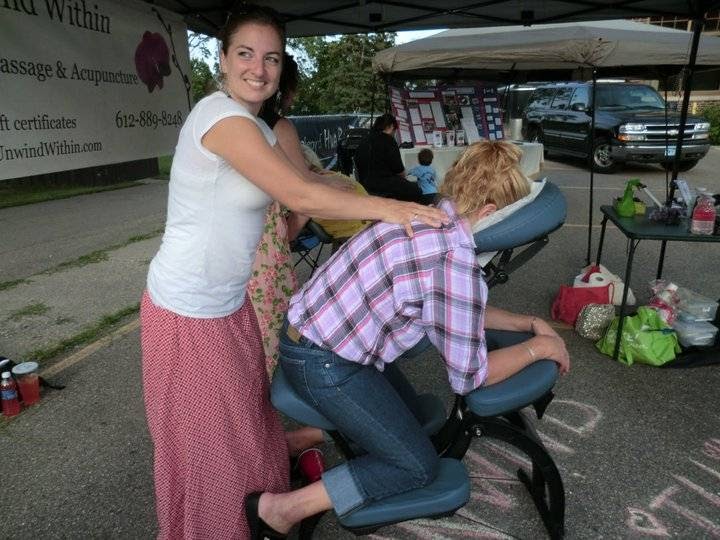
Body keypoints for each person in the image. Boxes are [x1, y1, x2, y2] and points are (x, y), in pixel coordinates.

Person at [140, 6, 447, 539]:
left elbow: (305, 183)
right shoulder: (221, 119)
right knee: (209, 446)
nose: (258, 69)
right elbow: (298, 195)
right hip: (186, 311)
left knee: (247, 420)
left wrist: (358, 194)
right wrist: (396, 209)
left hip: (229, 303)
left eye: (271, 58)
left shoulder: (256, 126)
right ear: (222, 59)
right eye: (245, 54)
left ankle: (264, 507)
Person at [249, 141, 570, 537]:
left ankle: (304, 438)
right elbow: (472, 376)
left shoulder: (426, 215)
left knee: (416, 422)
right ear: (489, 213)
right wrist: (541, 347)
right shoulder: (452, 262)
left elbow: (458, 308)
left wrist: (527, 322)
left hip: (313, 337)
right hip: (324, 361)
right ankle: (280, 510)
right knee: (415, 466)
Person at [354, 114, 424, 203]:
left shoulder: (364, 141)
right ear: (391, 126)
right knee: (417, 190)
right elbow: (399, 171)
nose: (394, 134)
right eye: (394, 131)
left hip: (364, 185)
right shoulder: (388, 140)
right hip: (384, 185)